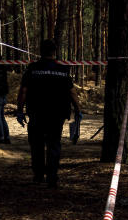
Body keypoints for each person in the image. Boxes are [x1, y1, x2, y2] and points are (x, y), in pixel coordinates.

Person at [16, 38, 80, 189]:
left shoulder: (32, 69)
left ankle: (38, 176)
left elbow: (23, 91)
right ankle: (52, 177)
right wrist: (78, 109)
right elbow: (72, 92)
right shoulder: (63, 70)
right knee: (54, 145)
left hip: (36, 113)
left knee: (36, 145)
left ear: (40, 51)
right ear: (55, 52)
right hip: (57, 115)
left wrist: (20, 110)